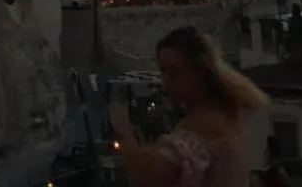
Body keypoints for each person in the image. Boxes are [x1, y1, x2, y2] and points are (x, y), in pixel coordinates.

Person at [107, 26, 265, 187]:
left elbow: (146, 179)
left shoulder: (201, 127)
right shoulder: (226, 116)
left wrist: (125, 133)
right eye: (163, 71)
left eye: (176, 72)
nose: (166, 79)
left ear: (200, 74)